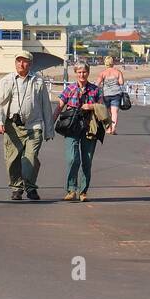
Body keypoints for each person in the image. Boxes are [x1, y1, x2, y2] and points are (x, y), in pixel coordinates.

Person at [0, 51, 54, 200]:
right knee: (12, 160)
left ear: (30, 64)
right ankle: (16, 187)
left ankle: (30, 188)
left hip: (34, 126)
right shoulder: (7, 81)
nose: (21, 64)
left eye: (24, 61)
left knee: (30, 158)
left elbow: (46, 106)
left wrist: (49, 130)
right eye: (18, 61)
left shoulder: (38, 81)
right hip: (12, 126)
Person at [54, 62, 102, 201]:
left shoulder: (95, 90)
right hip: (72, 128)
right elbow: (59, 107)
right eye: (79, 72)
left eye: (84, 72)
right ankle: (71, 189)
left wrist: (91, 106)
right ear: (75, 73)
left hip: (90, 128)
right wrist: (51, 123)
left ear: (88, 72)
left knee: (87, 161)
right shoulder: (69, 89)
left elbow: (102, 108)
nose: (82, 75)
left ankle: (83, 192)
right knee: (72, 159)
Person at [95, 56, 126, 135]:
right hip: (116, 94)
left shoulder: (102, 73)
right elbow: (121, 82)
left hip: (106, 94)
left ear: (105, 63)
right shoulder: (118, 72)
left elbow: (97, 84)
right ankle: (113, 129)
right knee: (114, 112)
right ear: (113, 63)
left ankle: (108, 129)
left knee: (108, 112)